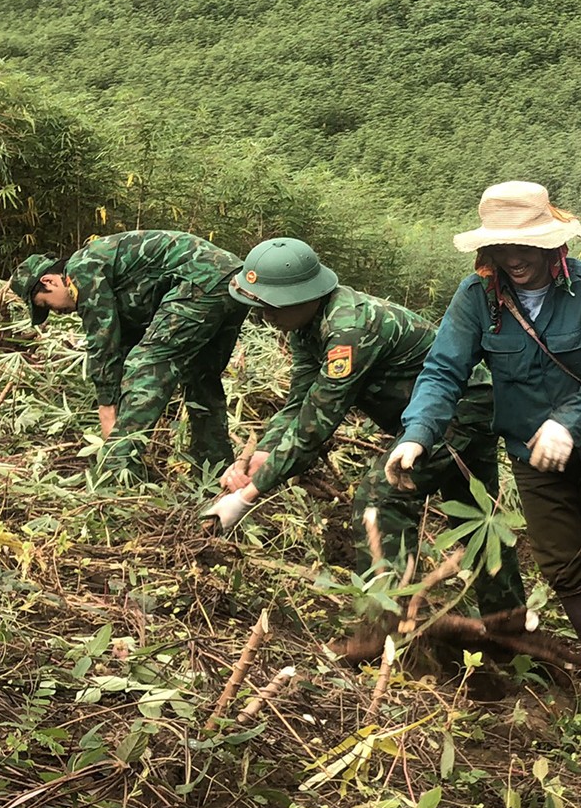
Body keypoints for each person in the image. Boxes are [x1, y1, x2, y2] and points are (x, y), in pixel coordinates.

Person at [385, 182, 581, 682]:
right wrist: (417, 433)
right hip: (531, 455)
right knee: (562, 564)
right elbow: (444, 370)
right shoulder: (478, 298)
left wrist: (568, 422)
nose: (514, 257)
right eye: (503, 247)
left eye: (525, 245)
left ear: (551, 243)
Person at [205, 237, 522, 612]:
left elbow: (316, 422)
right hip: (443, 413)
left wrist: (246, 497)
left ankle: (386, 619)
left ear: (301, 296)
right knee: (472, 514)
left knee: (381, 496)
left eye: (269, 306)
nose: (264, 316)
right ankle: (509, 619)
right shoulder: (309, 327)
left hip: (458, 408)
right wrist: (263, 452)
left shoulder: (349, 329)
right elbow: (300, 402)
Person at [8, 230, 250, 477]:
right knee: (201, 377)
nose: (57, 312)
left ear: (49, 281)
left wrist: (107, 406)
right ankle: (214, 472)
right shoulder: (110, 270)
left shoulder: (81, 268)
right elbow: (124, 338)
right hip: (234, 283)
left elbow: (103, 339)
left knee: (145, 364)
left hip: (200, 279)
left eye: (46, 304)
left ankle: (115, 470)